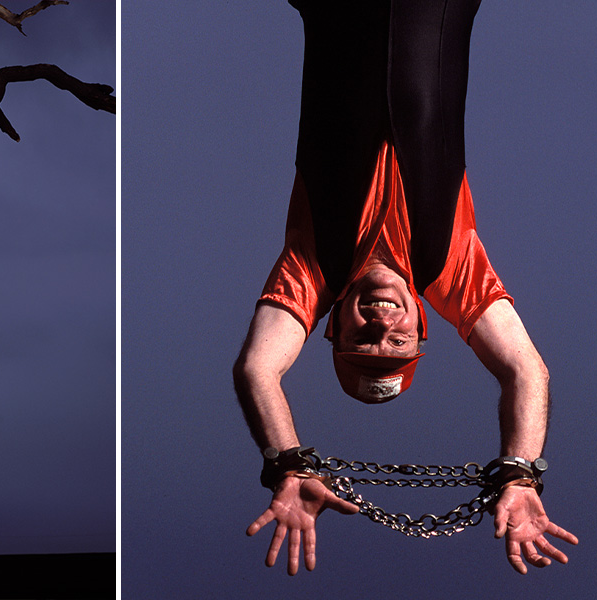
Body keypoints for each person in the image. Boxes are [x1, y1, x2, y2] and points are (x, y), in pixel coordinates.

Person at [231, 0, 577, 575]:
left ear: (331, 325)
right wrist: (521, 472)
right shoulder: (451, 270)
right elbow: (527, 370)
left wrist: (287, 464)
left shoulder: (312, 269)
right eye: (396, 346)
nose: (381, 330)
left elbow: (257, 370)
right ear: (421, 327)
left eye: (360, 344)